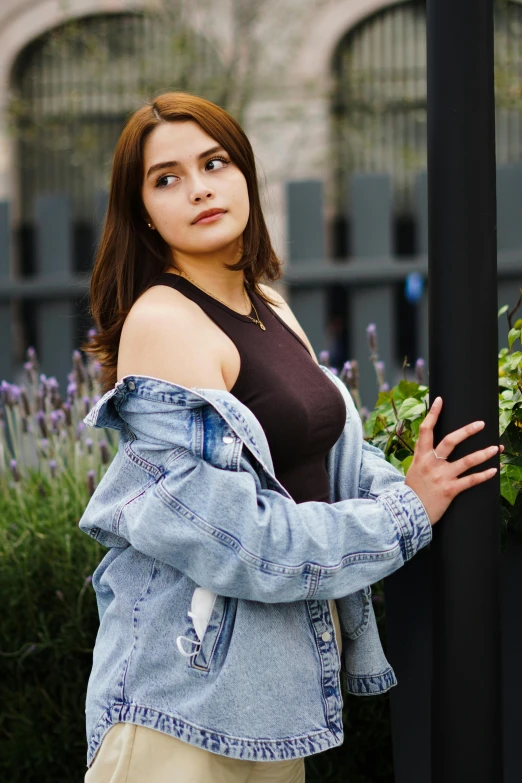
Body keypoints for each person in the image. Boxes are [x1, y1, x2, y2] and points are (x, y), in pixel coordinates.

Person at [79, 92, 501, 783]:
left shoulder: (265, 303)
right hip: (181, 707)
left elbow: (325, 457)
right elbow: (243, 541)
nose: (200, 188)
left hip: (271, 706)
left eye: (214, 162)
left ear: (245, 171)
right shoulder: (163, 323)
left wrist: (423, 479)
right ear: (143, 214)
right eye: (167, 178)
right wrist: (404, 515)